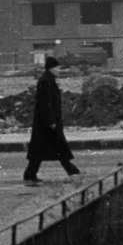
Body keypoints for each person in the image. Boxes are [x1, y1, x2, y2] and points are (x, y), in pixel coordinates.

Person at [23, 55, 80, 183]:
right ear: (51, 68)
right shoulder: (46, 81)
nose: (59, 71)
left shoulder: (48, 80)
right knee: (57, 146)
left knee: (42, 150)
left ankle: (30, 174)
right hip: (48, 123)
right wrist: (51, 121)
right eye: (58, 68)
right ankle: (72, 171)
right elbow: (45, 103)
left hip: (47, 123)